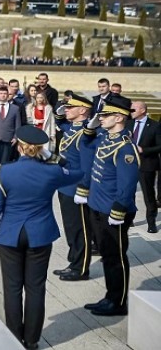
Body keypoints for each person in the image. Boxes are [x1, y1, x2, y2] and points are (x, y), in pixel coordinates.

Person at [0, 125, 83, 349]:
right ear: (39, 149)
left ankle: (13, 337)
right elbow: (78, 172)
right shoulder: (52, 171)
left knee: (12, 288)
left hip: (10, 234)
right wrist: (55, 158)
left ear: (19, 147)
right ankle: (31, 340)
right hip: (39, 234)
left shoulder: (4, 171)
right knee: (36, 288)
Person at [78, 96, 139, 317]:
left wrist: (119, 210)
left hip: (113, 212)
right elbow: (85, 143)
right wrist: (90, 127)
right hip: (97, 205)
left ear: (119, 117)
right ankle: (110, 296)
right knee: (107, 255)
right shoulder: (105, 137)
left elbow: (127, 184)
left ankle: (118, 302)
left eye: (105, 115)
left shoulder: (125, 148)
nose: (100, 118)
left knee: (116, 258)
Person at [51, 92, 96, 282]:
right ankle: (73, 262)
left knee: (80, 229)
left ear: (83, 110)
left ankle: (81, 268)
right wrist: (62, 111)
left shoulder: (86, 133)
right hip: (65, 186)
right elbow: (60, 121)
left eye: (71, 107)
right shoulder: (72, 127)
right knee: (70, 227)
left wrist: (83, 189)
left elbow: (86, 166)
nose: (66, 110)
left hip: (77, 188)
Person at [130, 101, 161, 233]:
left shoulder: (155, 126)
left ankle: (151, 221)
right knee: (127, 193)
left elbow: (160, 146)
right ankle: (128, 218)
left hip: (147, 164)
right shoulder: (128, 123)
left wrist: (144, 150)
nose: (130, 111)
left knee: (148, 195)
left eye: (134, 109)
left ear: (142, 110)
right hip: (129, 164)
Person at [0, 86, 21, 182]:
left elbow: (17, 124)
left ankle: (3, 180)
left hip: (8, 138)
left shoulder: (15, 108)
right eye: (1, 93)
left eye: (5, 93)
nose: (3, 95)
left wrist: (16, 137)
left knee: (5, 162)